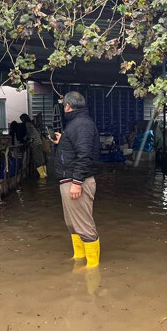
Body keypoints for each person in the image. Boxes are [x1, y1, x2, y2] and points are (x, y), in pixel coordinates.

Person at [52, 92, 101, 269]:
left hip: (76, 181)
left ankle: (92, 268)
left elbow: (85, 155)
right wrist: (62, 141)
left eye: (63, 106)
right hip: (70, 180)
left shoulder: (81, 124)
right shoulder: (77, 124)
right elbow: (77, 148)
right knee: (72, 223)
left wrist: (77, 182)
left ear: (67, 106)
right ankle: (79, 256)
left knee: (84, 225)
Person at [21, 113, 47, 179]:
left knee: (37, 160)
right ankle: (45, 174)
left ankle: (42, 175)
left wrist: (26, 139)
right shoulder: (32, 124)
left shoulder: (27, 124)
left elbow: (30, 135)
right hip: (40, 143)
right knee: (42, 159)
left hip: (35, 144)